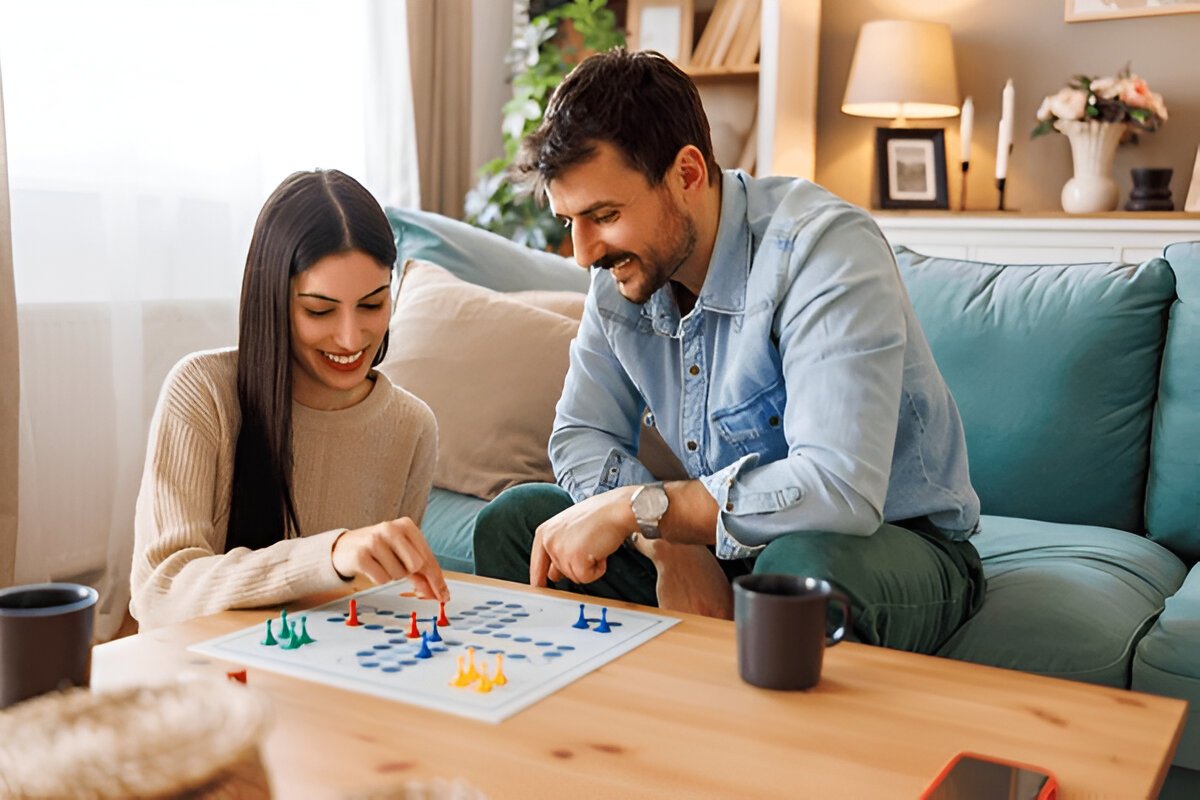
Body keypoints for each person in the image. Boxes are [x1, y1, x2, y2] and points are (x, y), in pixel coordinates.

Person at [472, 50, 986, 653]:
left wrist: (643, 510)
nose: (583, 252)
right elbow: (581, 435)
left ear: (687, 173)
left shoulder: (822, 250)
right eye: (570, 221)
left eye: (604, 215)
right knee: (520, 521)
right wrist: (664, 539)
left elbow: (838, 488)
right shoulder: (618, 274)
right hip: (720, 544)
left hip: (885, 543)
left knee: (798, 571)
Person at [131, 169, 449, 629]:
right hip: (203, 683)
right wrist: (331, 553)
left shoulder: (412, 426)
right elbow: (161, 591)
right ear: (273, 299)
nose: (349, 337)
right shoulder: (203, 392)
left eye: (372, 304)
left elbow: (373, 603)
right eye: (318, 310)